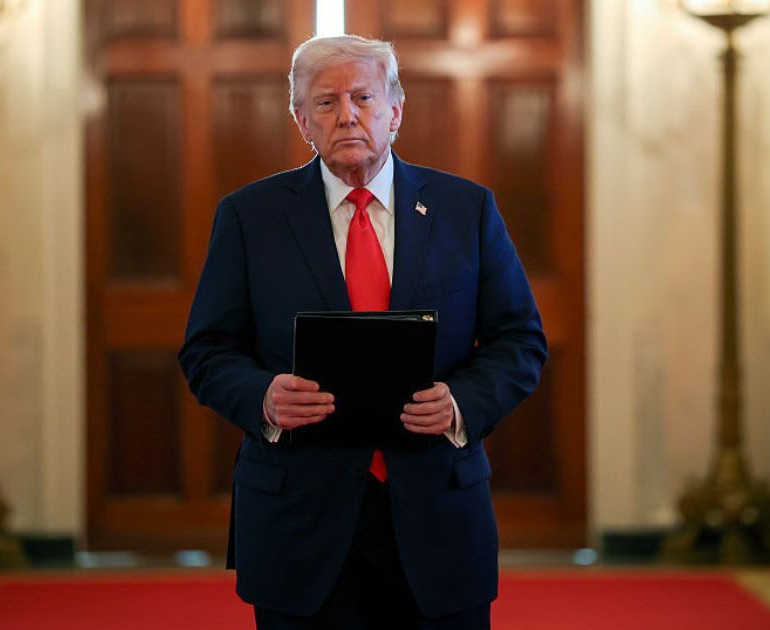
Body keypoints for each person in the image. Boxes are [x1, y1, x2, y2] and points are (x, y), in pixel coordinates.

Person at [178, 34, 546, 629]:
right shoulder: (250, 217)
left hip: (437, 513)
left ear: (395, 111)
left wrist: (460, 404)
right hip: (300, 519)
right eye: (325, 102)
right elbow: (207, 350)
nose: (347, 114)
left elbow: (520, 340)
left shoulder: (466, 209)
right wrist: (263, 397)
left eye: (364, 98)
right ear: (301, 120)